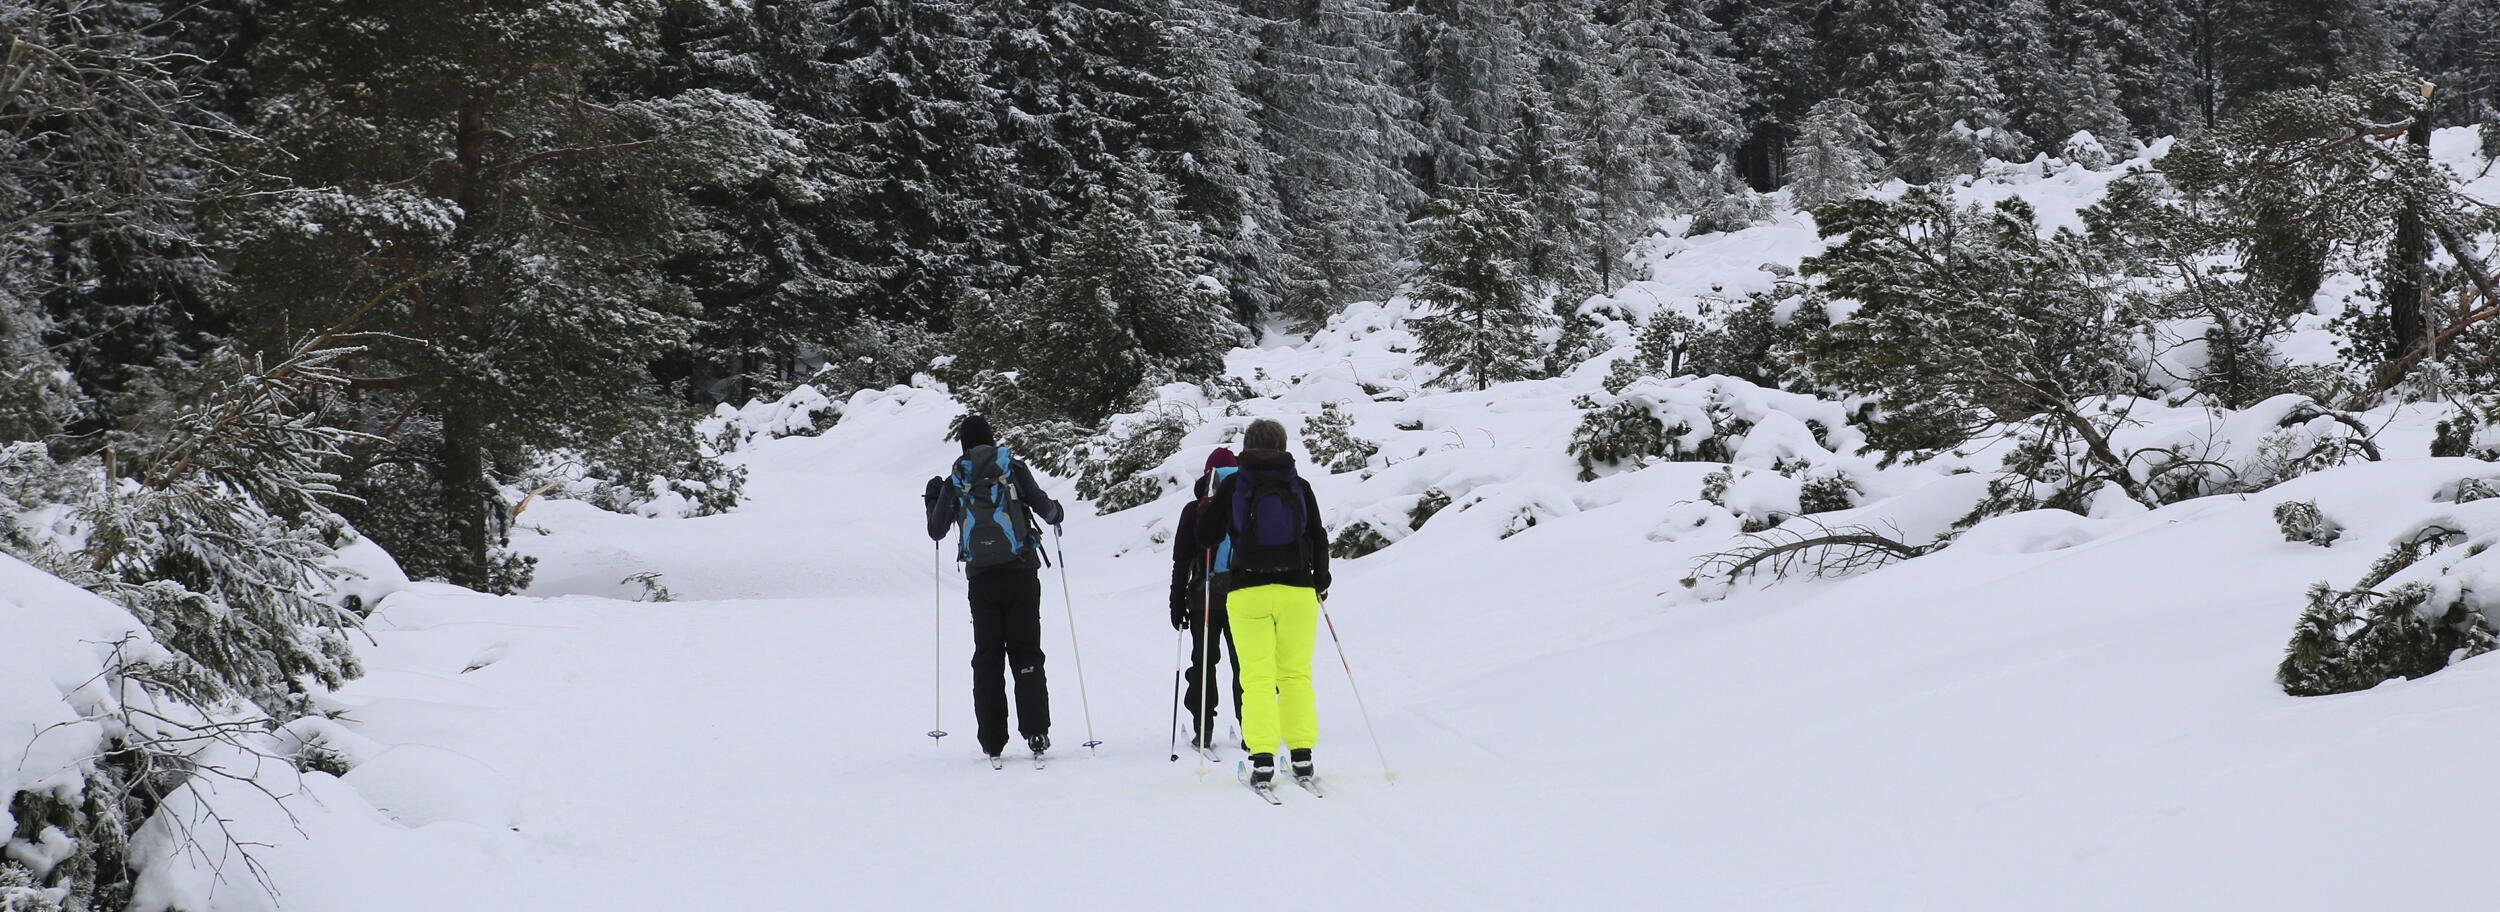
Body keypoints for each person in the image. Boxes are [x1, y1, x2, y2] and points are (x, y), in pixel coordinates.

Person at [923, 414, 1066, 763]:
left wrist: (933, 499)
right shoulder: (1012, 467)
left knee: (987, 657)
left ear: (964, 444)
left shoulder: (958, 476)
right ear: (991, 438)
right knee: (1026, 651)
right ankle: (1036, 731)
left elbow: (937, 531)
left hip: (982, 579)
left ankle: (992, 740)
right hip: (1021, 573)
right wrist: (1057, 512)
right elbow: (1045, 509)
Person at [1196, 419, 1330, 787]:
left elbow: (1206, 536)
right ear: (1283, 445)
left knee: (1255, 678)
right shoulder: (1298, 485)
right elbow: (1317, 535)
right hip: (1298, 591)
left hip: (1247, 591)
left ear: (1247, 445)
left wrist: (1209, 505)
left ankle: (1263, 760)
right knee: (1295, 675)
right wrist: (1321, 580)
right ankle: (1302, 756)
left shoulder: (1234, 484)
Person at [1169, 447, 1244, 754]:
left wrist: (1176, 602)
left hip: (1203, 599)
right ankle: (1251, 727)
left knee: (1203, 662)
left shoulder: (1194, 509)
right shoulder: (1246, 502)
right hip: (1243, 597)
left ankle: (1204, 729)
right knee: (1245, 665)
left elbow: (1182, 560)